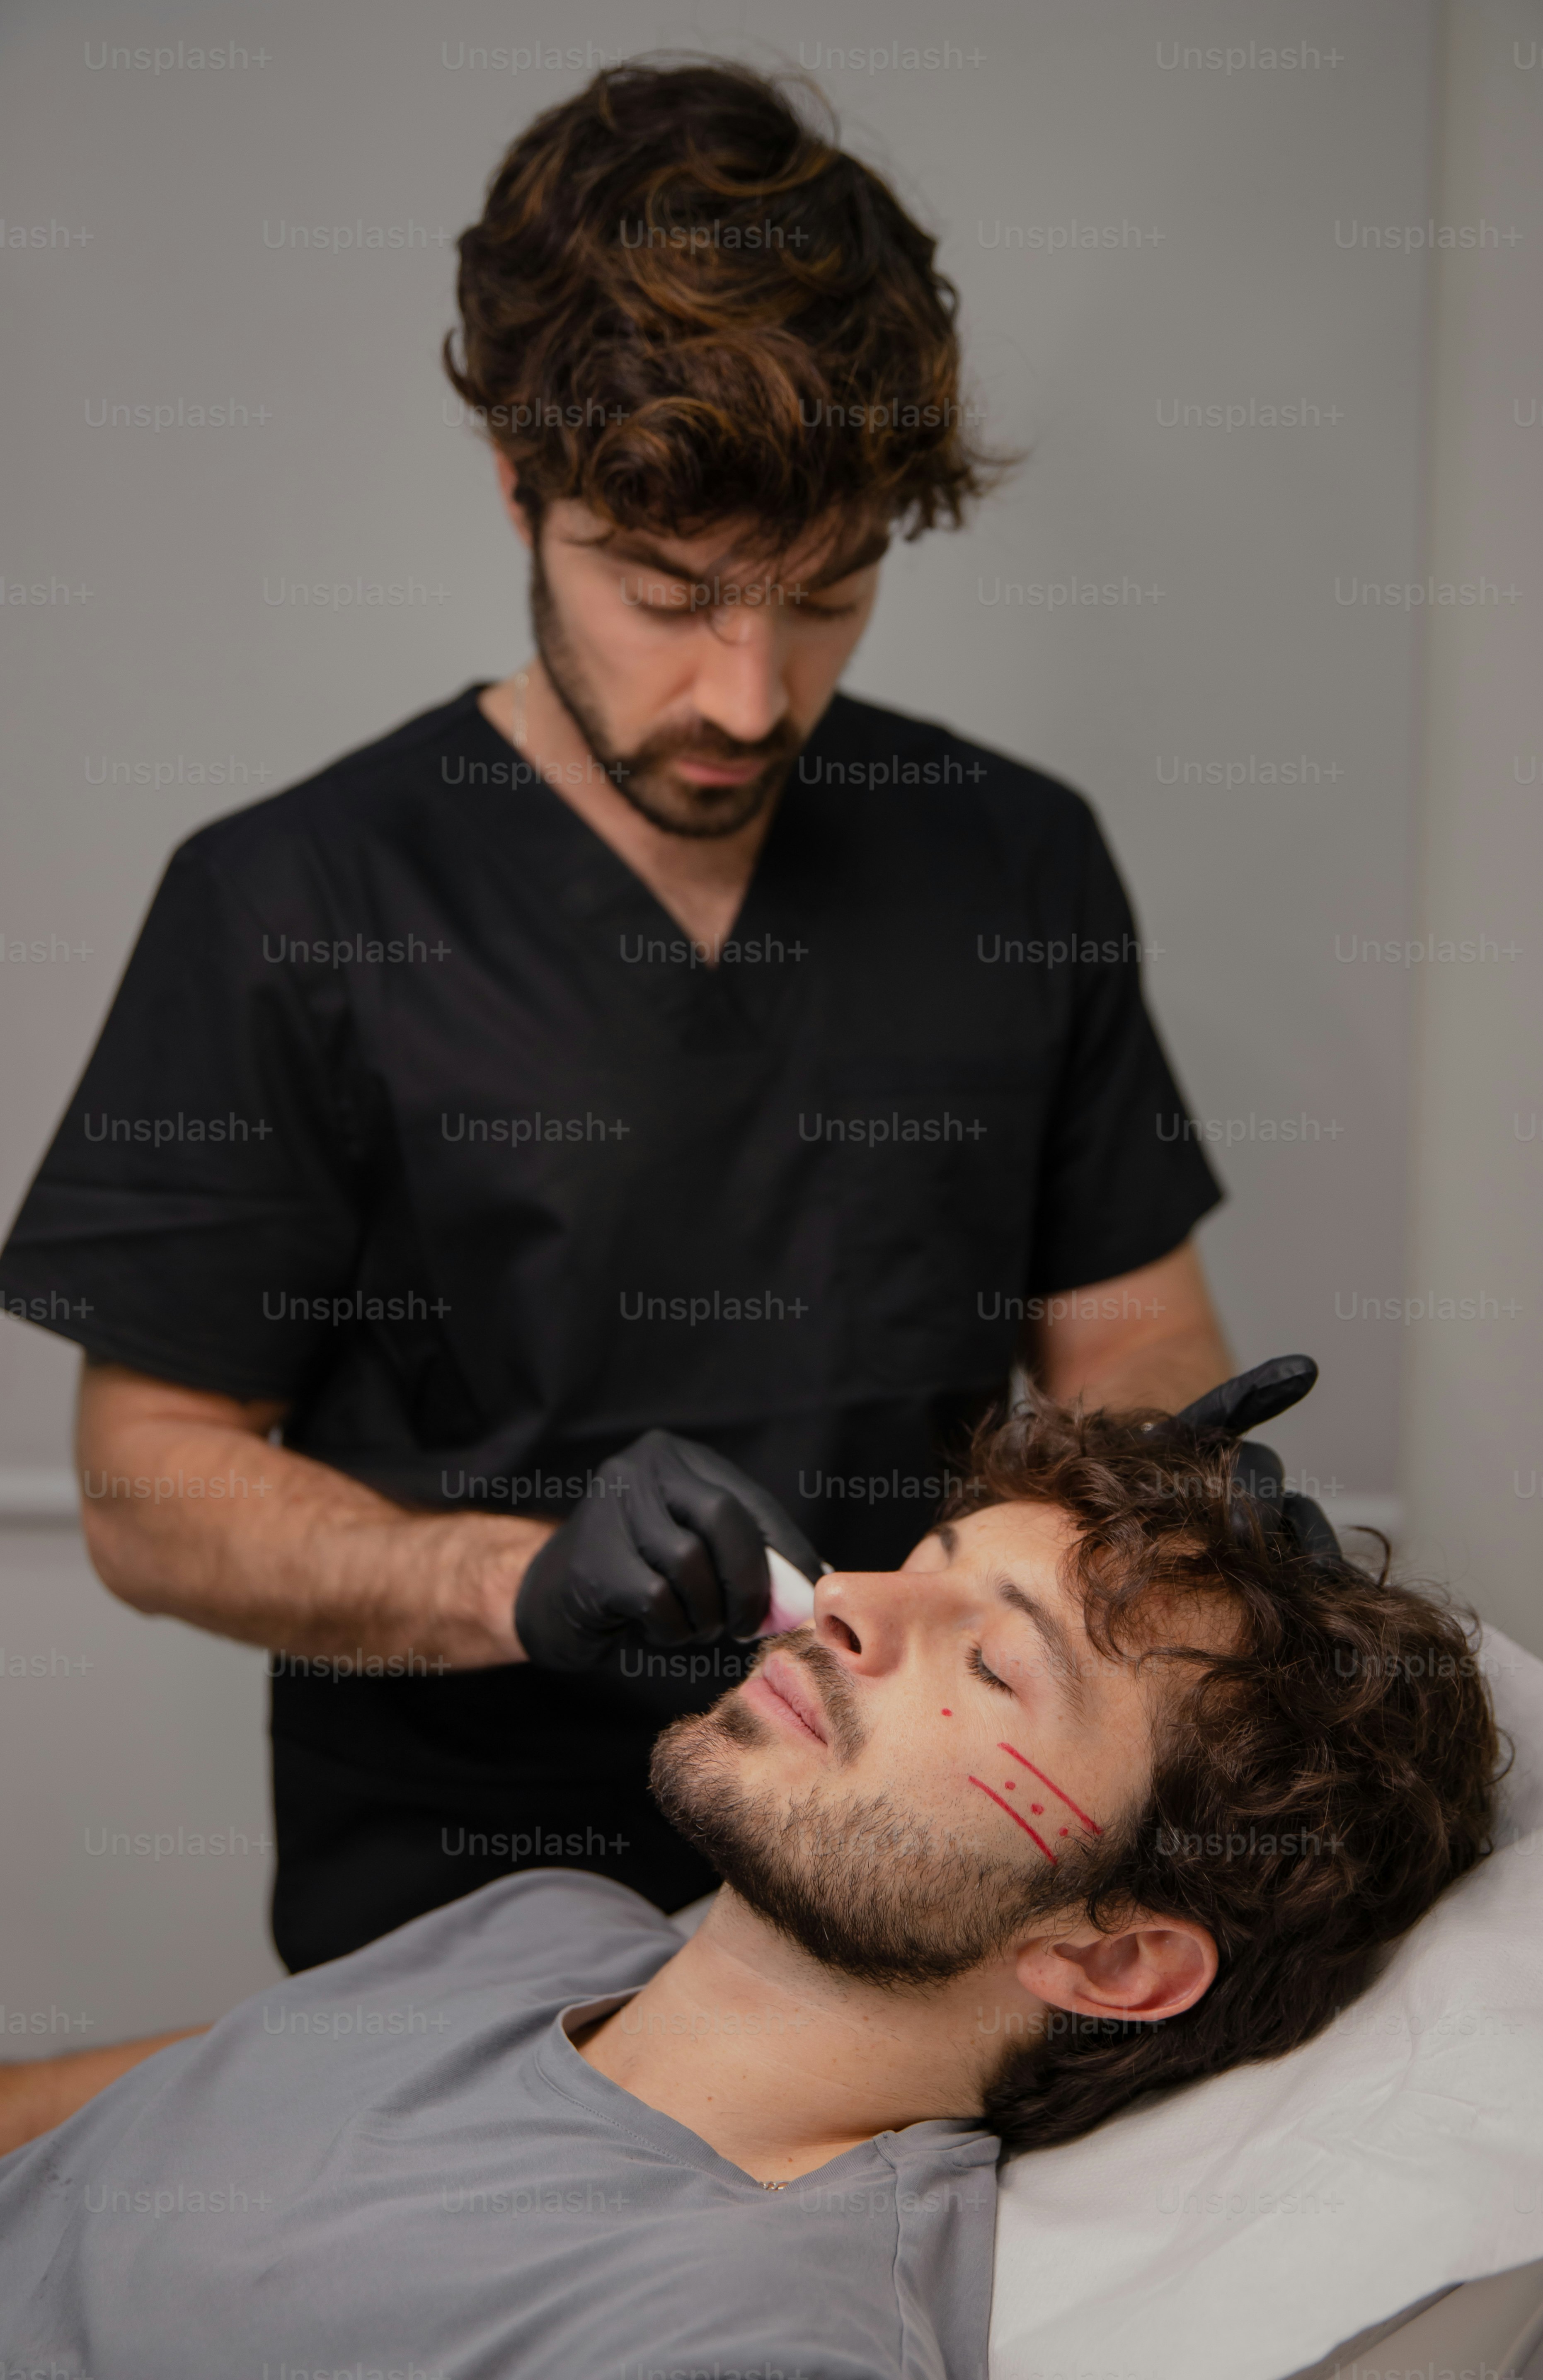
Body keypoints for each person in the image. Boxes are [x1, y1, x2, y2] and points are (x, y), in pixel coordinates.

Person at [0, 60, 1231, 1975]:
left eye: (826, 596)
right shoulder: (293, 902)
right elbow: (151, 1488)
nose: (748, 693)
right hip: (461, 1923)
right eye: (666, 591)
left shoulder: (1014, 865)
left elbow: (1134, 1331)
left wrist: (1183, 1508)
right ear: (517, 484)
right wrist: (521, 1576)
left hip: (915, 1906)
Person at [0, 1391, 1498, 2379]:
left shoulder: (747, 2338)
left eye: (992, 1660)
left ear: (1112, 1961)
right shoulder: (548, 1928)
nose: (843, 1600)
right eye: (922, 1555)